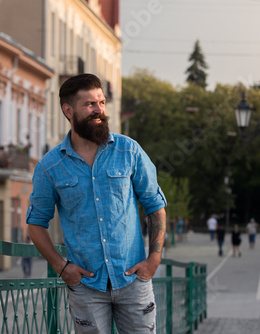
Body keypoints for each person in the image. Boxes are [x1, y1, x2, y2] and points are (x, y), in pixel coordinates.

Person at [26, 74, 167, 333]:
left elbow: (154, 204)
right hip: (87, 287)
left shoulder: (129, 151)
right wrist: (62, 268)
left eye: (101, 102)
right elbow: (35, 223)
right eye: (90, 104)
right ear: (68, 111)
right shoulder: (50, 167)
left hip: (133, 280)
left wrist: (154, 259)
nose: (99, 110)